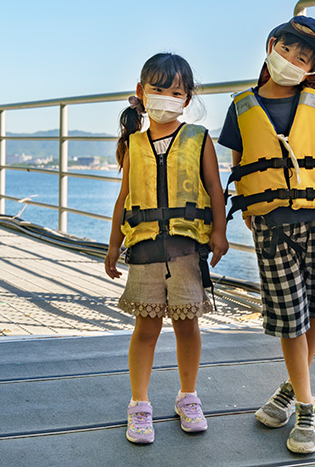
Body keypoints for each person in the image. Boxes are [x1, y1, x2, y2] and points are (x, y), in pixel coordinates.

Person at [218, 16, 315, 454]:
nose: (292, 60)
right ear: (272, 46)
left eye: (303, 57)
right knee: (290, 318)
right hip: (272, 227)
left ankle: (294, 391)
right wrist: (250, 207)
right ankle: (309, 408)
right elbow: (239, 162)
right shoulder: (240, 106)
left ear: (312, 69)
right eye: (288, 50)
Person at [105, 53, 228, 444]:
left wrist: (220, 233)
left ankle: (188, 396)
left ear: (187, 99)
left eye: (176, 91)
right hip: (143, 251)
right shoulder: (134, 144)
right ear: (141, 92)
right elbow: (124, 198)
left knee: (187, 324)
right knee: (146, 327)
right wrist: (112, 246)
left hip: (187, 250)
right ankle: (139, 405)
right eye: (157, 89)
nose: (166, 97)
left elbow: (214, 189)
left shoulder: (199, 138)